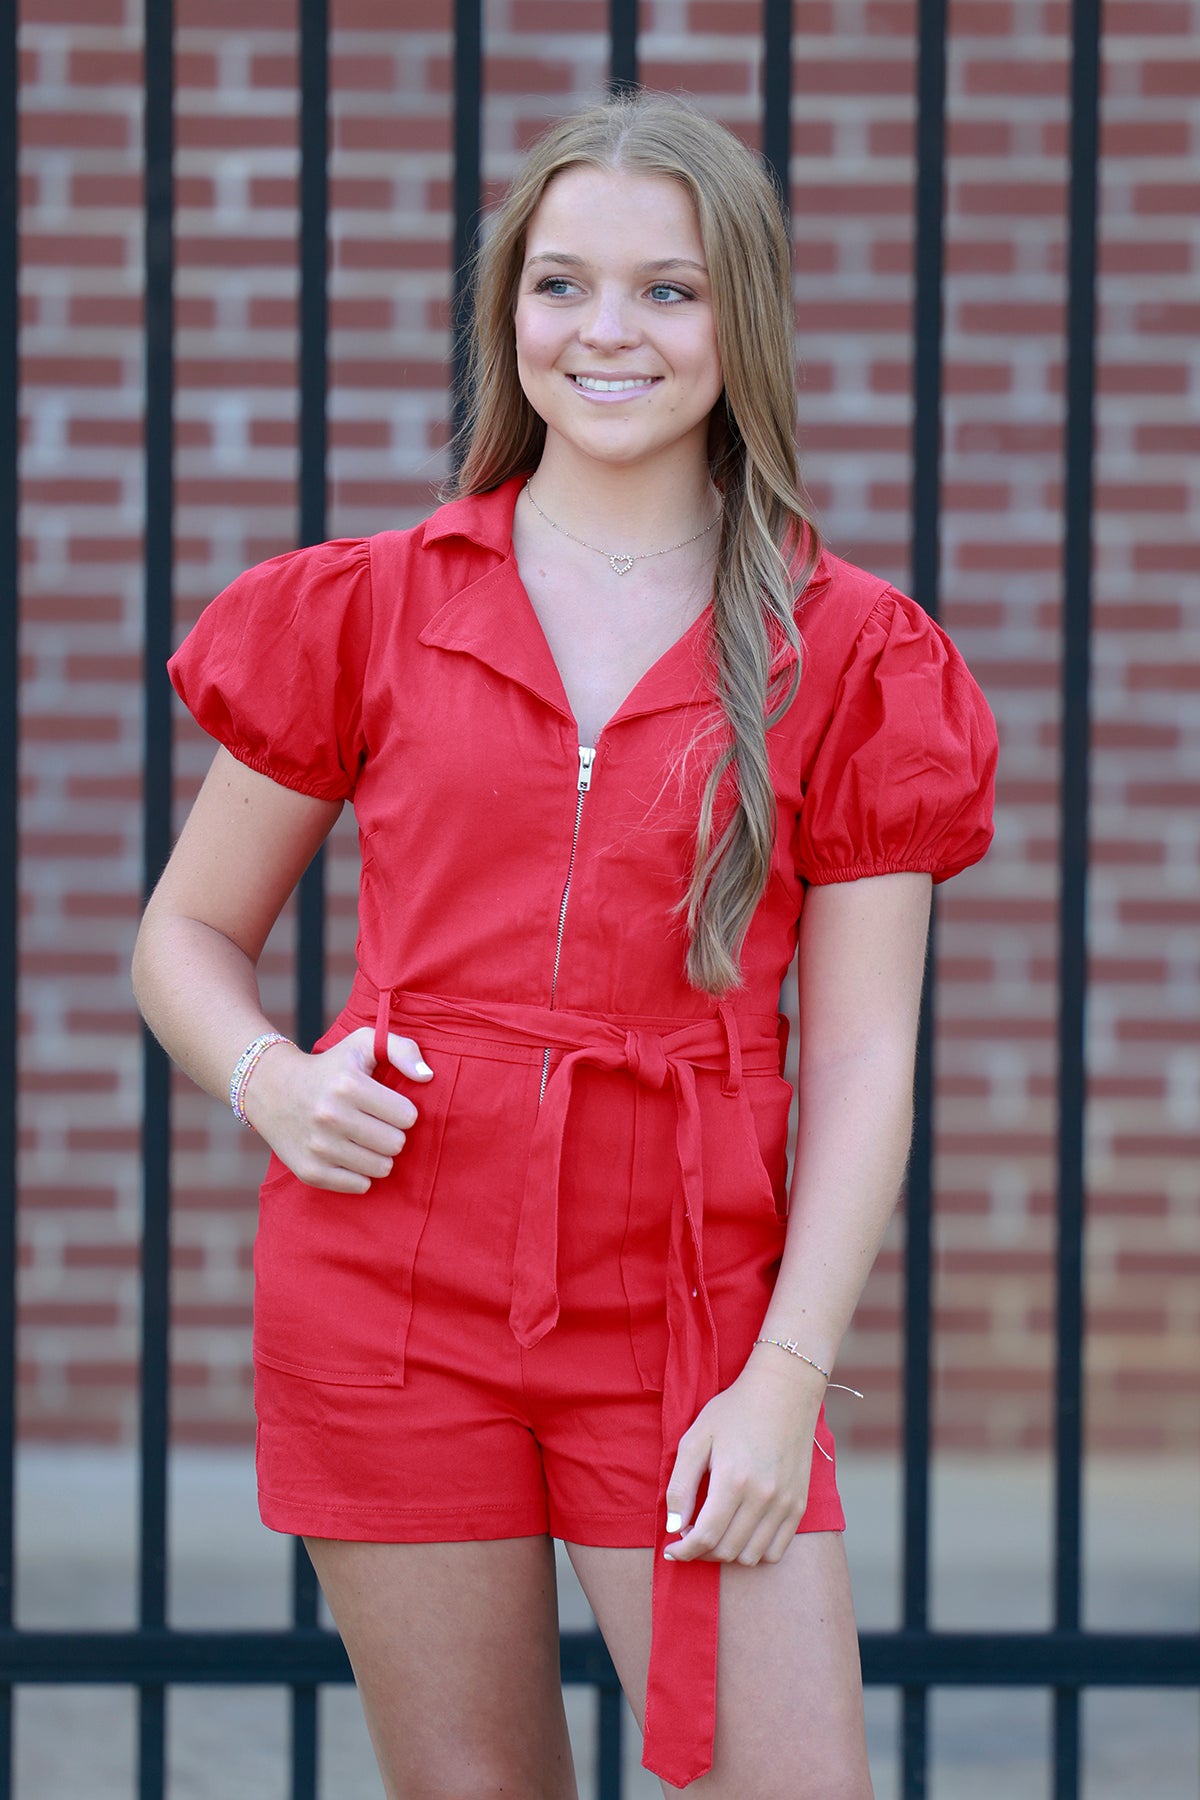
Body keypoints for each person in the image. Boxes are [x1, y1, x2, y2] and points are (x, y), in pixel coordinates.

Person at [132, 91, 996, 1799]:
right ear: (507, 313)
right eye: (562, 284)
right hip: (386, 1295)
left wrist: (783, 1382)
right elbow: (186, 931)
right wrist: (273, 1083)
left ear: (738, 319)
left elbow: (873, 1056)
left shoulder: (857, 653)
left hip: (688, 1318)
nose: (607, 332)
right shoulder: (366, 607)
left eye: (667, 292)